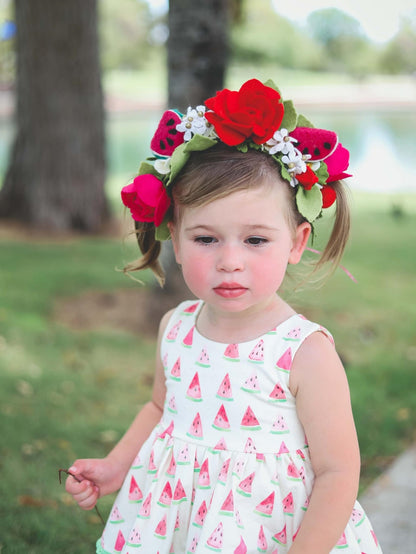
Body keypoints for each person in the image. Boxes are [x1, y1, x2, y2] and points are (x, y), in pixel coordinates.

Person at [65, 78, 382, 553]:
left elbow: (338, 470)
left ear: (295, 243)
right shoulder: (176, 326)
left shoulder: (303, 351)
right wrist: (117, 464)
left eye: (255, 240)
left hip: (272, 532)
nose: (229, 260)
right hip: (177, 521)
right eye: (206, 239)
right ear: (174, 234)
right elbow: (160, 408)